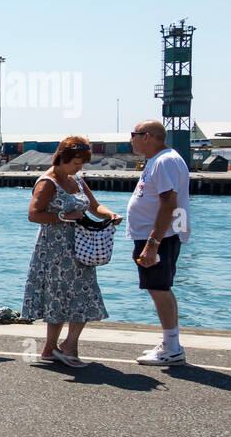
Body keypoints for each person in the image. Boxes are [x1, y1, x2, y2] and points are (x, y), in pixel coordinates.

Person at [21, 137, 121, 367]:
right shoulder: (47, 183)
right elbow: (34, 214)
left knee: (82, 295)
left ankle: (59, 347)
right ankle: (62, 348)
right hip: (55, 252)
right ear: (62, 159)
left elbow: (94, 206)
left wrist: (110, 215)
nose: (79, 168)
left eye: (82, 163)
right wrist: (62, 216)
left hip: (80, 248)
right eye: (76, 163)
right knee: (58, 297)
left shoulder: (76, 179)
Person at [126, 120, 192, 365]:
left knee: (159, 288)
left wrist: (152, 243)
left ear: (148, 136)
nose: (130, 139)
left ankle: (172, 348)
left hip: (160, 237)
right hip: (156, 236)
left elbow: (168, 203)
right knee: (159, 288)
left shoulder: (164, 161)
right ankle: (169, 342)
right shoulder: (159, 160)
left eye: (134, 134)